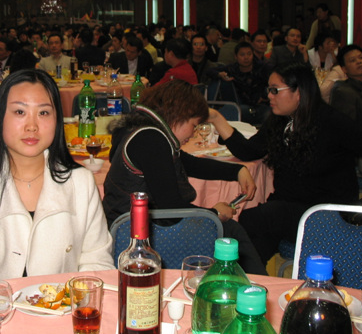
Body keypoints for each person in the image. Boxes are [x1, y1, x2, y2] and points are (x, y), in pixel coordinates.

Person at [207, 62, 362, 267]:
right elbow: (250, 150)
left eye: (275, 90)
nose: (269, 96)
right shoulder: (280, 121)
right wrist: (216, 118)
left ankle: (238, 277)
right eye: (269, 90)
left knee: (254, 218)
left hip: (326, 214)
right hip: (290, 209)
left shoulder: (330, 121)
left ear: (299, 92)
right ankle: (248, 282)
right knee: (256, 239)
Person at [0, 69, 114, 290]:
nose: (32, 126)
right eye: (19, 112)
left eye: (43, 113)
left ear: (57, 120)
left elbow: (97, 266)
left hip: (65, 308)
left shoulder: (81, 183)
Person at [102, 79, 265, 274]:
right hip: (137, 234)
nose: (194, 133)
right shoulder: (151, 140)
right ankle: (256, 284)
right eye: (194, 125)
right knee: (231, 233)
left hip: (128, 226)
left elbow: (189, 163)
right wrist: (213, 214)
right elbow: (171, 208)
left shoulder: (143, 131)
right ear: (179, 115)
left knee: (228, 229)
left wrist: (237, 171)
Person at [208, 42, 270, 126]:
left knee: (269, 115)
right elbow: (210, 71)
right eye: (242, 55)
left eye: (249, 54)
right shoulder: (232, 68)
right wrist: (220, 74)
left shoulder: (262, 68)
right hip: (241, 106)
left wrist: (264, 96)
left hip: (261, 105)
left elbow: (272, 84)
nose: (246, 57)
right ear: (236, 57)